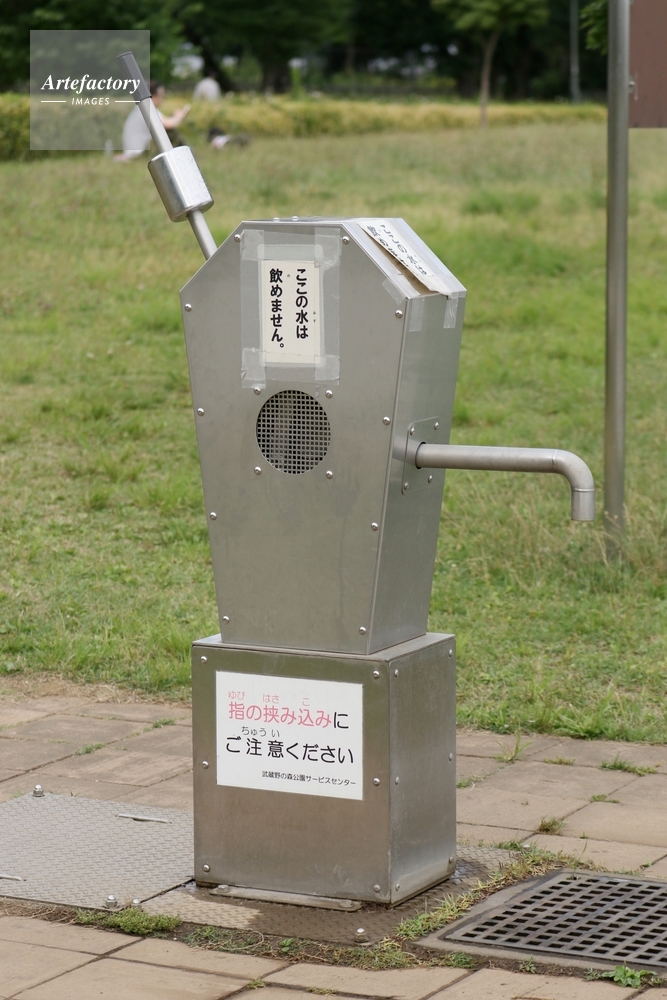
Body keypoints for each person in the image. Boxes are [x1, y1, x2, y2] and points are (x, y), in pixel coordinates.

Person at [115, 82, 191, 162]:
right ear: (154, 95)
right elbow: (170, 125)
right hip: (138, 153)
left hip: (135, 152)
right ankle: (185, 156)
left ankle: (183, 156)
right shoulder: (147, 108)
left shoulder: (142, 107)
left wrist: (174, 116)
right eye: (161, 96)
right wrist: (180, 115)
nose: (162, 99)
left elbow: (164, 121)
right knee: (170, 133)